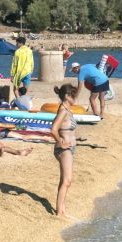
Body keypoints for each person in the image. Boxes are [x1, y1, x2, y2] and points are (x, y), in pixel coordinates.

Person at [50, 84, 79, 217]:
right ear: (67, 96)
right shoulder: (63, 111)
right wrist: (60, 142)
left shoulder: (67, 110)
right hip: (64, 150)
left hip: (69, 148)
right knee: (67, 180)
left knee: (65, 181)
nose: (75, 98)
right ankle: (59, 213)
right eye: (73, 96)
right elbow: (53, 129)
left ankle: (62, 209)